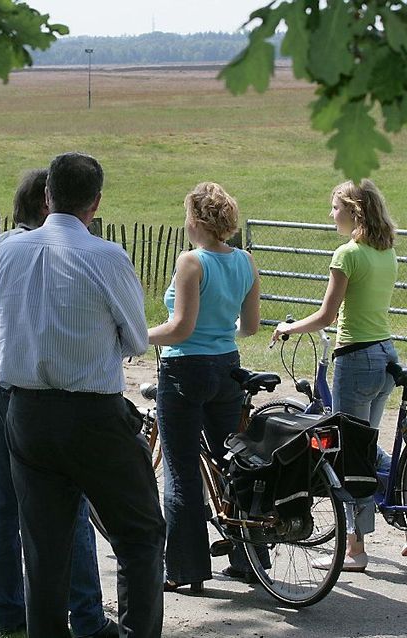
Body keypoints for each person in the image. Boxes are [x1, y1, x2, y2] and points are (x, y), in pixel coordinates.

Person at [0, 152, 165, 638]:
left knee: (45, 550)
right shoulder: (106, 255)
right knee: (140, 535)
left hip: (25, 409)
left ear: (47, 197)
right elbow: (134, 338)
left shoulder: (8, 251)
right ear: (96, 203)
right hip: (92, 414)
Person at [0, 169, 117, 638]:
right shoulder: (48, 251)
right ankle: (85, 613)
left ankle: (10, 615)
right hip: (41, 386)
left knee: (1, 505)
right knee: (68, 501)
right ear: (47, 203)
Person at [271, 179, 398, 572]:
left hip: (356, 360)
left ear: (353, 211)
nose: (331, 214)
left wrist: (289, 329)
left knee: (349, 457)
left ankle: (355, 550)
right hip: (385, 356)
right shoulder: (385, 252)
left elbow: (327, 315)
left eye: (335, 207)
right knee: (366, 445)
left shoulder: (347, 254)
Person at [147, 182, 261, 590]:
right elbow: (248, 326)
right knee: (234, 462)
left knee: (181, 472)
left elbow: (179, 329)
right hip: (228, 366)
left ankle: (185, 569)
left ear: (195, 219)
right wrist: (219, 332)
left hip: (185, 371)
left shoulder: (191, 262)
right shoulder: (246, 262)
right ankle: (250, 558)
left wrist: (137, 336)